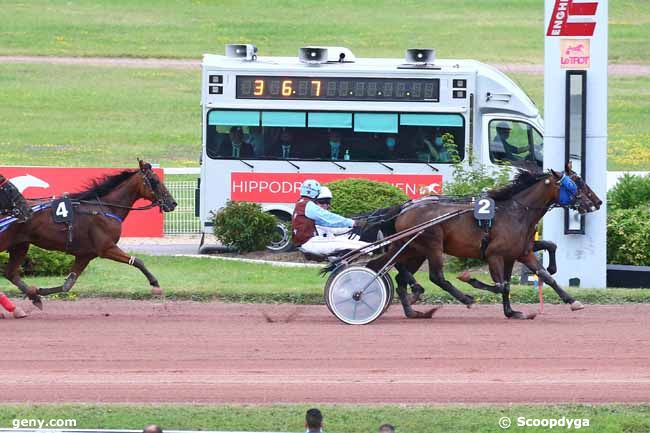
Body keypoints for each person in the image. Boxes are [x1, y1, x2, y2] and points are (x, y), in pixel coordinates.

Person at [292, 180, 368, 257]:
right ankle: (373, 249)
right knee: (344, 243)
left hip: (308, 242)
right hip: (309, 243)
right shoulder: (308, 205)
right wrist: (352, 223)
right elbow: (329, 217)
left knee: (343, 241)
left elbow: (325, 222)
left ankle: (371, 248)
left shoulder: (301, 203)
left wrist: (349, 224)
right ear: (315, 192)